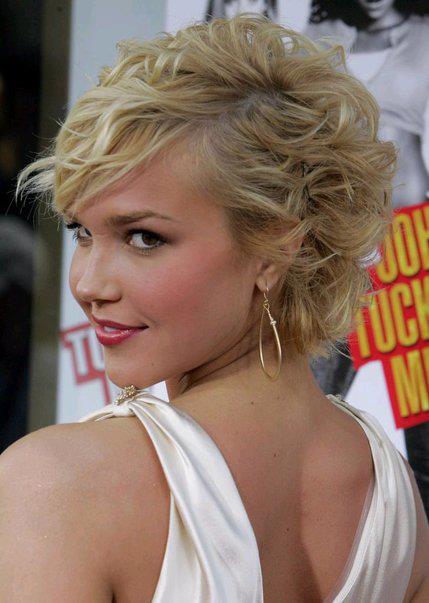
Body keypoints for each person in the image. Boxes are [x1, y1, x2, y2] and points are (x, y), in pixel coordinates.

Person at [1, 13, 428, 602]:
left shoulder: (60, 484)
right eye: (81, 232)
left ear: (275, 248)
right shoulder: (392, 488)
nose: (88, 284)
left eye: (144, 237)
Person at [304, 0, 429, 519]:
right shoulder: (322, 33)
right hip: (336, 238)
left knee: (422, 422)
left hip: (411, 240)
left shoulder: (425, 34)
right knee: (308, 394)